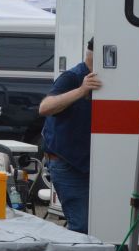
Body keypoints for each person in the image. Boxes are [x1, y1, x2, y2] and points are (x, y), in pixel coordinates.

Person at [39, 37, 102, 234]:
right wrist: (81, 90)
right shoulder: (73, 77)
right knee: (82, 224)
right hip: (68, 163)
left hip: (93, 163)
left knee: (102, 224)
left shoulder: (108, 79)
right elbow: (45, 108)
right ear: (92, 53)